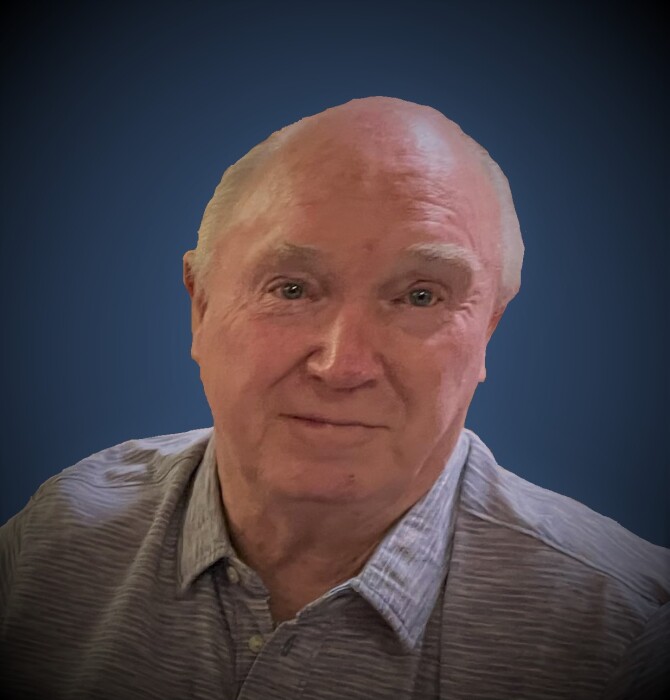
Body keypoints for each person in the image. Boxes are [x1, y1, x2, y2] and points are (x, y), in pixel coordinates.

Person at [1, 97, 668, 700]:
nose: (342, 366)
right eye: (291, 289)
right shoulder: (56, 539)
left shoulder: (627, 629)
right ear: (200, 308)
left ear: (488, 330)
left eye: (421, 296)